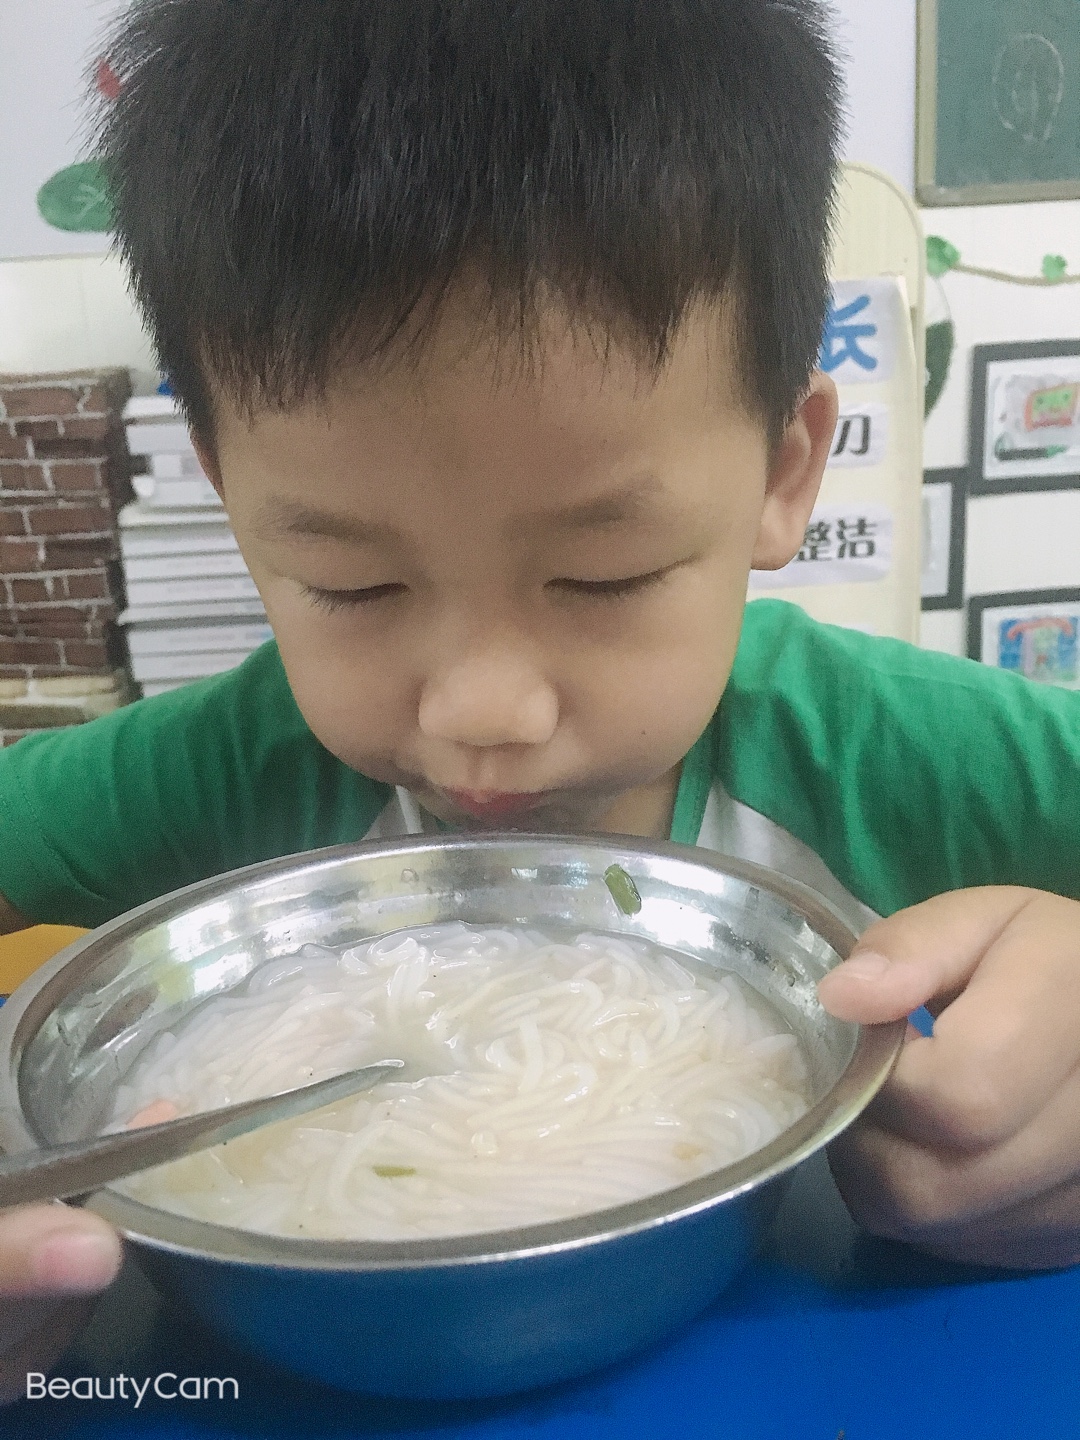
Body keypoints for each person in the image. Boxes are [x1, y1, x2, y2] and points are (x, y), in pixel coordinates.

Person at [3, 0, 1080, 1399]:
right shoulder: (224, 769)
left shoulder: (905, 752)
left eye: (601, 575)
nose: (484, 709)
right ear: (228, 491)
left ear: (783, 473)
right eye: (351, 586)